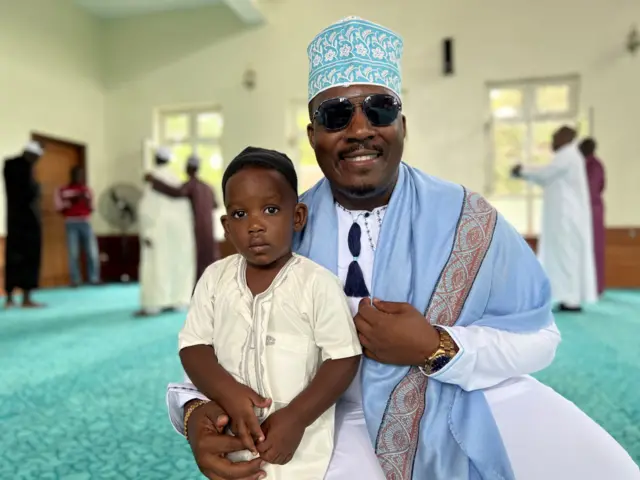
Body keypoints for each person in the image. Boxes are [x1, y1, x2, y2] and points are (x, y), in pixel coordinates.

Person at [166, 17, 639, 480]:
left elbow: (539, 339)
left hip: (453, 400)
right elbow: (218, 351)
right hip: (317, 426)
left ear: (402, 125)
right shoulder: (280, 230)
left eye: (379, 109)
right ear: (313, 136)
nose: (358, 129)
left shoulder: (466, 219)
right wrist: (193, 416)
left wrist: (437, 347)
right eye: (335, 115)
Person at [179, 146, 361, 479]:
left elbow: (344, 358)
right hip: (233, 447)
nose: (255, 225)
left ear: (297, 217)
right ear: (225, 226)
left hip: (301, 454)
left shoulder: (317, 283)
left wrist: (297, 417)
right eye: (239, 214)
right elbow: (194, 346)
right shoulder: (214, 279)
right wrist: (228, 393)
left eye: (271, 209)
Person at [512, 126, 598, 312]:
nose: (552, 141)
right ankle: (566, 297)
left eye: (555, 137)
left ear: (566, 137)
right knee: (562, 255)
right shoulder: (568, 156)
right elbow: (546, 178)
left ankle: (571, 299)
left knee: (566, 255)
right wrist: (524, 173)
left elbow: (545, 173)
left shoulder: (568, 155)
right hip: (563, 217)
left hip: (566, 218)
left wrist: (522, 170)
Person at [136, 147, 195, 316]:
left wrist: (146, 232)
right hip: (178, 234)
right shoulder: (176, 179)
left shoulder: (152, 179)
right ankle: (177, 300)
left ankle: (154, 304)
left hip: (157, 232)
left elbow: (146, 210)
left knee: (156, 266)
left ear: (155, 158)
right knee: (175, 265)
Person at [146, 154, 219, 284]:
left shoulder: (191, 185)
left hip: (195, 228)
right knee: (209, 258)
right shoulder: (208, 187)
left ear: (187, 168)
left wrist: (154, 181)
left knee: (196, 260)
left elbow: (175, 192)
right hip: (208, 228)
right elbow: (215, 205)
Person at [3, 141, 45, 308]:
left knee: (12, 257)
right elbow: (30, 193)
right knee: (30, 257)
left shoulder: (8, 166)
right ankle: (27, 298)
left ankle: (9, 298)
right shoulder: (26, 168)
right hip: (29, 220)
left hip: (13, 220)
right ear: (33, 155)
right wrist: (38, 187)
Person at [54, 165, 101, 287]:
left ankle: (94, 278)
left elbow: (92, 208)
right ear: (72, 175)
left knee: (91, 252)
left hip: (85, 222)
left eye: (81, 175)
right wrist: (73, 201)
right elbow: (59, 208)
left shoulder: (86, 190)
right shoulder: (63, 190)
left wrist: (84, 201)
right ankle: (75, 280)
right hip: (71, 222)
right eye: (77, 174)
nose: (79, 177)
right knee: (73, 252)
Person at [579, 137, 606, 297]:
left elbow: (591, 189)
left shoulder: (592, 165)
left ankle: (595, 286)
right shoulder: (594, 164)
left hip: (591, 210)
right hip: (593, 208)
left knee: (593, 247)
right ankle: (589, 286)